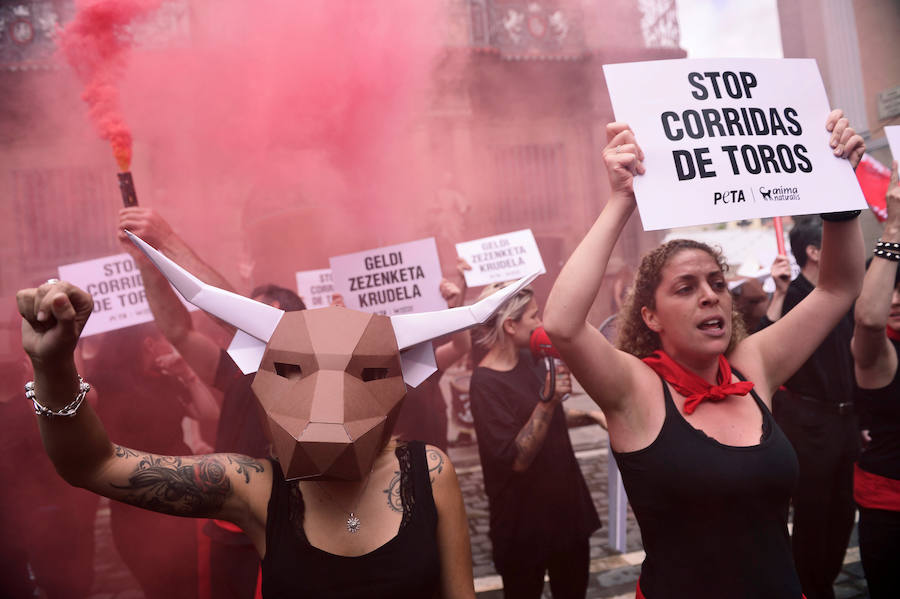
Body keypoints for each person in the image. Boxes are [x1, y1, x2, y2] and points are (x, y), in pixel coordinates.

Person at [542, 110, 864, 599]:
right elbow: (563, 323)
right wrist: (621, 200)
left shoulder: (751, 365)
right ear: (650, 316)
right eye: (686, 288)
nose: (710, 296)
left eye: (716, 283)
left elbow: (839, 287)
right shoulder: (635, 389)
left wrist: (840, 195)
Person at [17, 277, 476, 598]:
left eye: (358, 371)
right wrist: (53, 366)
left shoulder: (428, 472)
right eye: (300, 372)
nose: (330, 394)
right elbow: (93, 465)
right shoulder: (255, 487)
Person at [118, 208, 308, 598]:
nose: (245, 321)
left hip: (283, 521)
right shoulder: (238, 369)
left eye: (260, 311)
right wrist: (148, 264)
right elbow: (177, 330)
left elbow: (237, 317)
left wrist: (168, 241)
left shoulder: (302, 366)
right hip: (228, 521)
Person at [468, 282, 603, 598]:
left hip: (567, 514)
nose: (540, 323)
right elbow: (517, 458)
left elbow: (549, 420)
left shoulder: (532, 361)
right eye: (534, 316)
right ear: (510, 325)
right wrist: (548, 401)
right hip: (523, 527)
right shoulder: (485, 383)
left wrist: (592, 416)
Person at [764, 215, 860, 599]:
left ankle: (827, 584)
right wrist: (778, 293)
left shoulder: (845, 292)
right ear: (814, 251)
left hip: (847, 420)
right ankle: (811, 589)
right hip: (807, 425)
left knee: (841, 516)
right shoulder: (795, 294)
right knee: (812, 517)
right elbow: (759, 344)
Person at [849, 160, 900, 599]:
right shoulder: (879, 353)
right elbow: (868, 320)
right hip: (892, 511)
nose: (894, 299)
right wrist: (894, 230)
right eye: (889, 287)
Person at [394, 260, 472, 451]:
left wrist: (455, 308)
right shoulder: (367, 370)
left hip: (432, 465)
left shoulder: (419, 363)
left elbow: (460, 346)